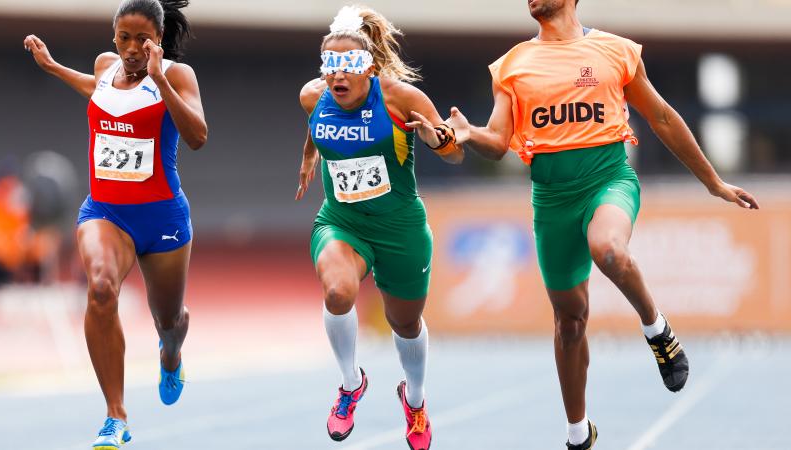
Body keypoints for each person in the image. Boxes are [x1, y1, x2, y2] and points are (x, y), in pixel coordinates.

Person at [444, 0, 760, 448]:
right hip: (551, 199)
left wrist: (712, 182)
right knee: (570, 322)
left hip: (607, 179)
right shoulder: (512, 64)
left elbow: (663, 117)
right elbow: (497, 142)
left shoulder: (616, 51)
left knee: (608, 249)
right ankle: (579, 433)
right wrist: (469, 133)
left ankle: (656, 328)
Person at [23, 0, 207, 448]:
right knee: (101, 288)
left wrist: (161, 78)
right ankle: (115, 415)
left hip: (162, 216)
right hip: (106, 211)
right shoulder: (106, 67)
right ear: (114, 37)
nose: (131, 49)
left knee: (169, 319)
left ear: (158, 41)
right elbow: (99, 90)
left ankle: (170, 354)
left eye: (142, 40)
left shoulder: (178, 76)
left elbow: (198, 136)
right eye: (123, 37)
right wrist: (52, 67)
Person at [296, 5, 463, 450]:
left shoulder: (399, 99)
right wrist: (310, 154)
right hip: (342, 221)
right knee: (337, 292)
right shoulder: (312, 97)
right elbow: (315, 125)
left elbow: (454, 153)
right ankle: (351, 384)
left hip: (400, 228)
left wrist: (435, 139)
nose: (338, 76)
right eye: (330, 66)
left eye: (348, 65)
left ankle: (415, 399)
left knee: (404, 324)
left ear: (368, 66)